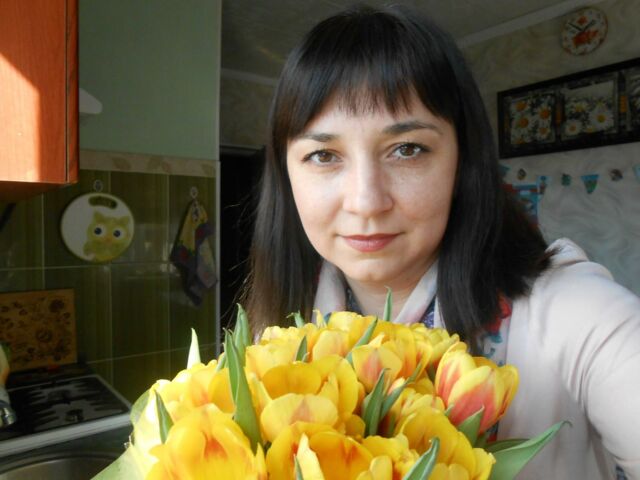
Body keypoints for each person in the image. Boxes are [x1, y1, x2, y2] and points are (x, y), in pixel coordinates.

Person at [241, 4, 640, 479]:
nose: (366, 202)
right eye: (324, 155)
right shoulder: (275, 341)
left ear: (461, 162)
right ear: (286, 175)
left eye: (407, 149)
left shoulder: (578, 316)